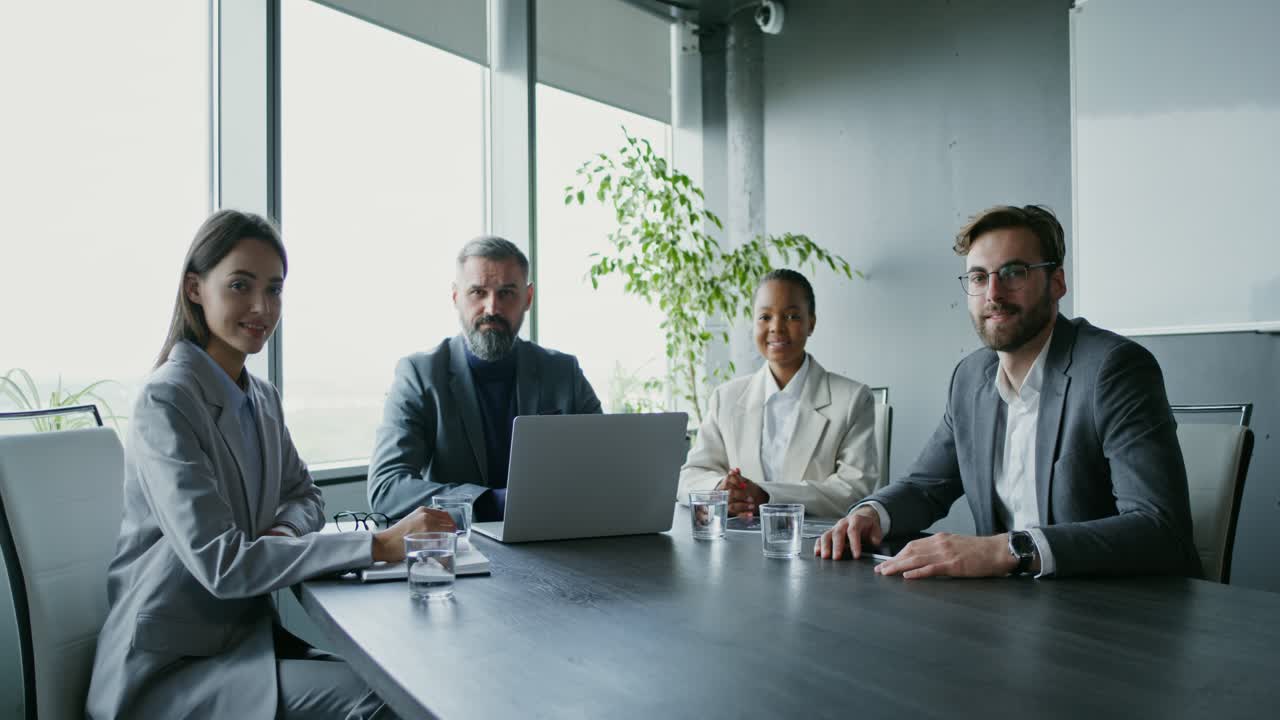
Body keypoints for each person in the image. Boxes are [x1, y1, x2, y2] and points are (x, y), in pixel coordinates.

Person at [86, 210, 454, 720]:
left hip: (247, 644)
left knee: (412, 680)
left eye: (275, 289)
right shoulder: (165, 400)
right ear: (195, 288)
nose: (262, 307)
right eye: (240, 285)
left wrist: (280, 533)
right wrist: (380, 545)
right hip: (172, 669)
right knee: (388, 702)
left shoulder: (260, 396)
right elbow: (222, 564)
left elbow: (305, 495)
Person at [816, 205, 1200, 579]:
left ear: (1057, 283)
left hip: (1114, 613)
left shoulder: (1113, 369)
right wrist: (870, 514)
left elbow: (1159, 528)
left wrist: (1005, 550)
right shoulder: (970, 378)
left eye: (1014, 272)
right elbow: (925, 486)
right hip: (1010, 611)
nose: (993, 293)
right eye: (979, 277)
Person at [367, 236, 602, 522]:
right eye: (478, 292)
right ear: (456, 297)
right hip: (461, 552)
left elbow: (604, 467)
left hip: (552, 542)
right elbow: (387, 489)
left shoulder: (564, 372)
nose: (492, 308)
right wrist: (487, 502)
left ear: (527, 299)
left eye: (506, 293)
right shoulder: (419, 375)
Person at [678, 269, 879, 519]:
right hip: (737, 545)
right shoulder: (726, 398)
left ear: (811, 323)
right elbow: (691, 475)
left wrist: (766, 495)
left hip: (816, 548)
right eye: (765, 317)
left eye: (792, 316)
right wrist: (720, 491)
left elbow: (855, 490)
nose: (776, 327)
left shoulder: (853, 399)